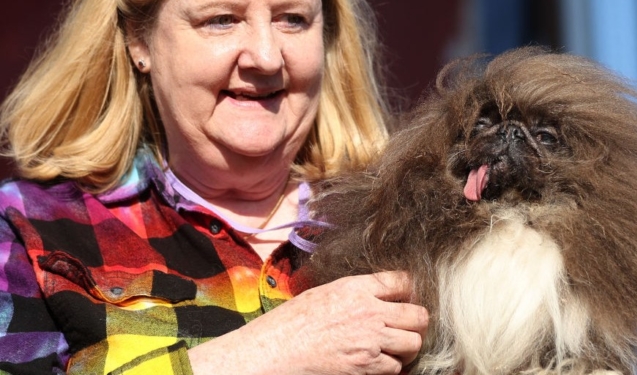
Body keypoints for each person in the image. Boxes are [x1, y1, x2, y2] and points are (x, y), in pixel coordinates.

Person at [0, 0, 428, 373]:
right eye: (222, 18)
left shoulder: (412, 221)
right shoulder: (28, 230)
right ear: (139, 41)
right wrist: (269, 351)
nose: (265, 56)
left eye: (293, 19)